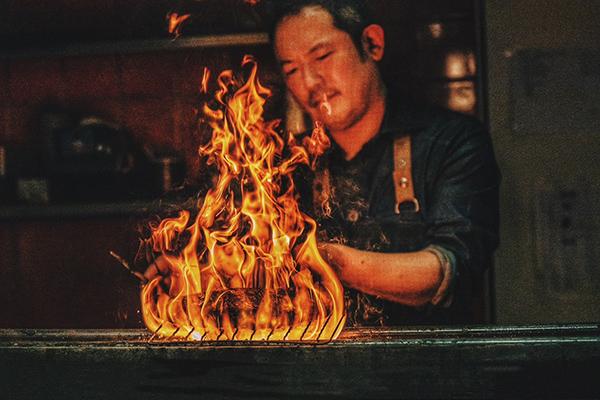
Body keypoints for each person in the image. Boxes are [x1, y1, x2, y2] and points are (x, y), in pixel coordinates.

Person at [266, 0, 500, 325]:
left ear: (371, 44)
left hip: (429, 369)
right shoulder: (289, 164)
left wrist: (328, 261)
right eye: (291, 69)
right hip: (318, 371)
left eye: (322, 56)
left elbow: (451, 269)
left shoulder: (452, 142)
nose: (309, 82)